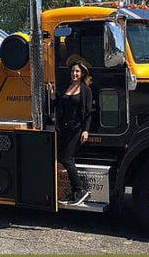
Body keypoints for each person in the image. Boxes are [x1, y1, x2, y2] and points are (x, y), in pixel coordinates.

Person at [55, 55, 93, 205]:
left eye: (77, 71)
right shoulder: (68, 87)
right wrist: (53, 96)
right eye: (72, 71)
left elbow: (89, 113)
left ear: (82, 73)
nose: (74, 74)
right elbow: (60, 105)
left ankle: (81, 190)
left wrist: (86, 130)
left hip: (76, 130)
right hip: (63, 129)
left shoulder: (85, 90)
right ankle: (75, 193)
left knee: (65, 158)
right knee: (67, 159)